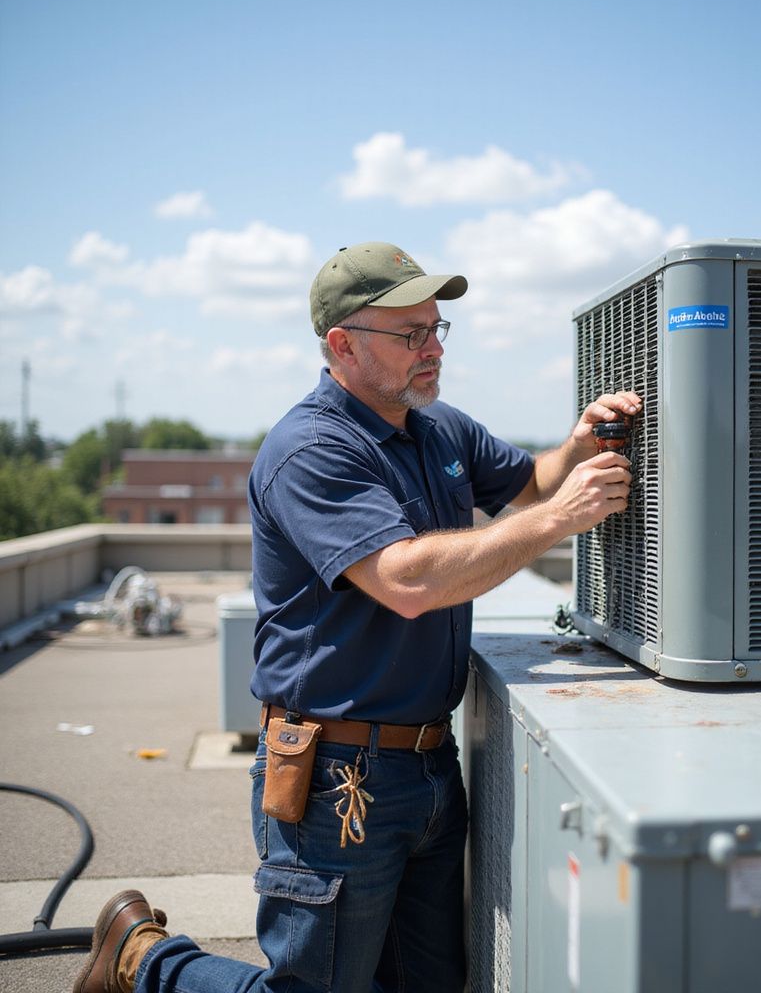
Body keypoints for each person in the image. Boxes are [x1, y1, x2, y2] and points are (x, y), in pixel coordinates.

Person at [74, 241, 639, 993]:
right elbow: (404, 580)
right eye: (411, 335)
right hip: (338, 778)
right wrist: (559, 520)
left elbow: (525, 488)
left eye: (438, 329)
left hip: (431, 767)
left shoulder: (438, 430)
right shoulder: (310, 448)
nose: (433, 348)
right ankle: (143, 961)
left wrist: (571, 447)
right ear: (342, 344)